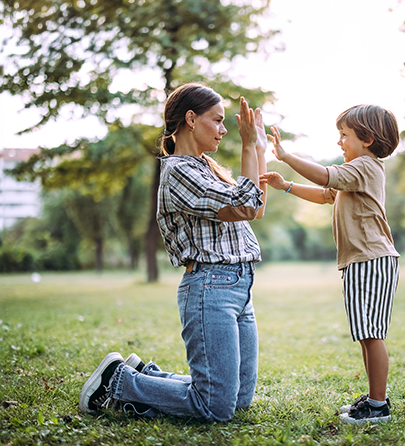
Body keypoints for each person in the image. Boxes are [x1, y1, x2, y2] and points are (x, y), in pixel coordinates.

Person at [77, 82, 269, 421]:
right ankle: (118, 382)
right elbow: (244, 205)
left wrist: (259, 149)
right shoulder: (179, 170)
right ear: (191, 119)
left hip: (240, 288)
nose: (224, 130)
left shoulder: (207, 167)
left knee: (238, 399)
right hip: (211, 288)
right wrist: (248, 145)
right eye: (218, 120)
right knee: (216, 407)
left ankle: (145, 376)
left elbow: (256, 207)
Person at [260, 104, 402, 424]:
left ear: (366, 138)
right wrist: (287, 186)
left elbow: (325, 174)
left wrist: (285, 155)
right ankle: (374, 398)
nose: (340, 142)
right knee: (366, 333)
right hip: (360, 260)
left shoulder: (366, 166)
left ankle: (378, 406)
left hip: (371, 259)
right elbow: (327, 193)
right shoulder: (357, 171)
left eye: (344, 135)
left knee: (372, 334)